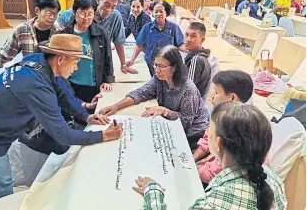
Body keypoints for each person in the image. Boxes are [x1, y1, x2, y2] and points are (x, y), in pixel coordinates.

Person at [0, 34, 123, 204]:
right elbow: (63, 135)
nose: (76, 68)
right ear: (60, 60)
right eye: (75, 62)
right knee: (3, 189)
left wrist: (86, 117)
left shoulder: (39, 61)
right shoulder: (36, 85)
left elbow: (62, 92)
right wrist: (103, 136)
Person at [134, 102, 287, 210]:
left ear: (218, 144)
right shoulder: (273, 179)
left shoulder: (219, 200)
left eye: (210, 134)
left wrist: (153, 191)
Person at [99, 46, 210, 150]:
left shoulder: (188, 89)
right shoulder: (159, 78)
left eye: (162, 67)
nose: (157, 70)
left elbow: (186, 122)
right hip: (171, 123)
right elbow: (141, 93)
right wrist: (115, 106)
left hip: (194, 133)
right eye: (155, 65)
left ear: (175, 68)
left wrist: (165, 111)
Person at [0, 0, 63, 83]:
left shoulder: (58, 30)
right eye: (49, 13)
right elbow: (6, 51)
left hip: (53, 76)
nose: (52, 18)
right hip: (31, 75)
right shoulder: (22, 30)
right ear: (37, 11)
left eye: (55, 14)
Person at [193, 70, 254, 186]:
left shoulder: (238, 127)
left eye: (216, 92)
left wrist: (192, 170)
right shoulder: (222, 114)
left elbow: (215, 171)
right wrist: (193, 158)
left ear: (232, 97)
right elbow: (208, 138)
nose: (211, 97)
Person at [60, 0, 114, 104]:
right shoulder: (65, 34)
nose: (86, 18)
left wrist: (107, 80)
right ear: (75, 12)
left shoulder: (100, 33)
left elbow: (107, 57)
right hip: (71, 84)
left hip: (94, 84)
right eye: (83, 14)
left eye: (90, 14)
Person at [126, 0, 185, 76]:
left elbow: (180, 45)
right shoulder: (147, 28)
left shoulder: (173, 27)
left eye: (161, 11)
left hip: (168, 65)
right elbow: (139, 45)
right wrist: (132, 60)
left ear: (166, 12)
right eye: (156, 11)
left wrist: (192, 50)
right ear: (152, 13)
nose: (158, 14)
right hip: (152, 64)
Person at [183, 22, 211, 99]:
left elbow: (188, 90)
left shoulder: (196, 60)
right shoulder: (196, 56)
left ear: (202, 40)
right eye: (186, 35)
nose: (188, 39)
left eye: (193, 36)